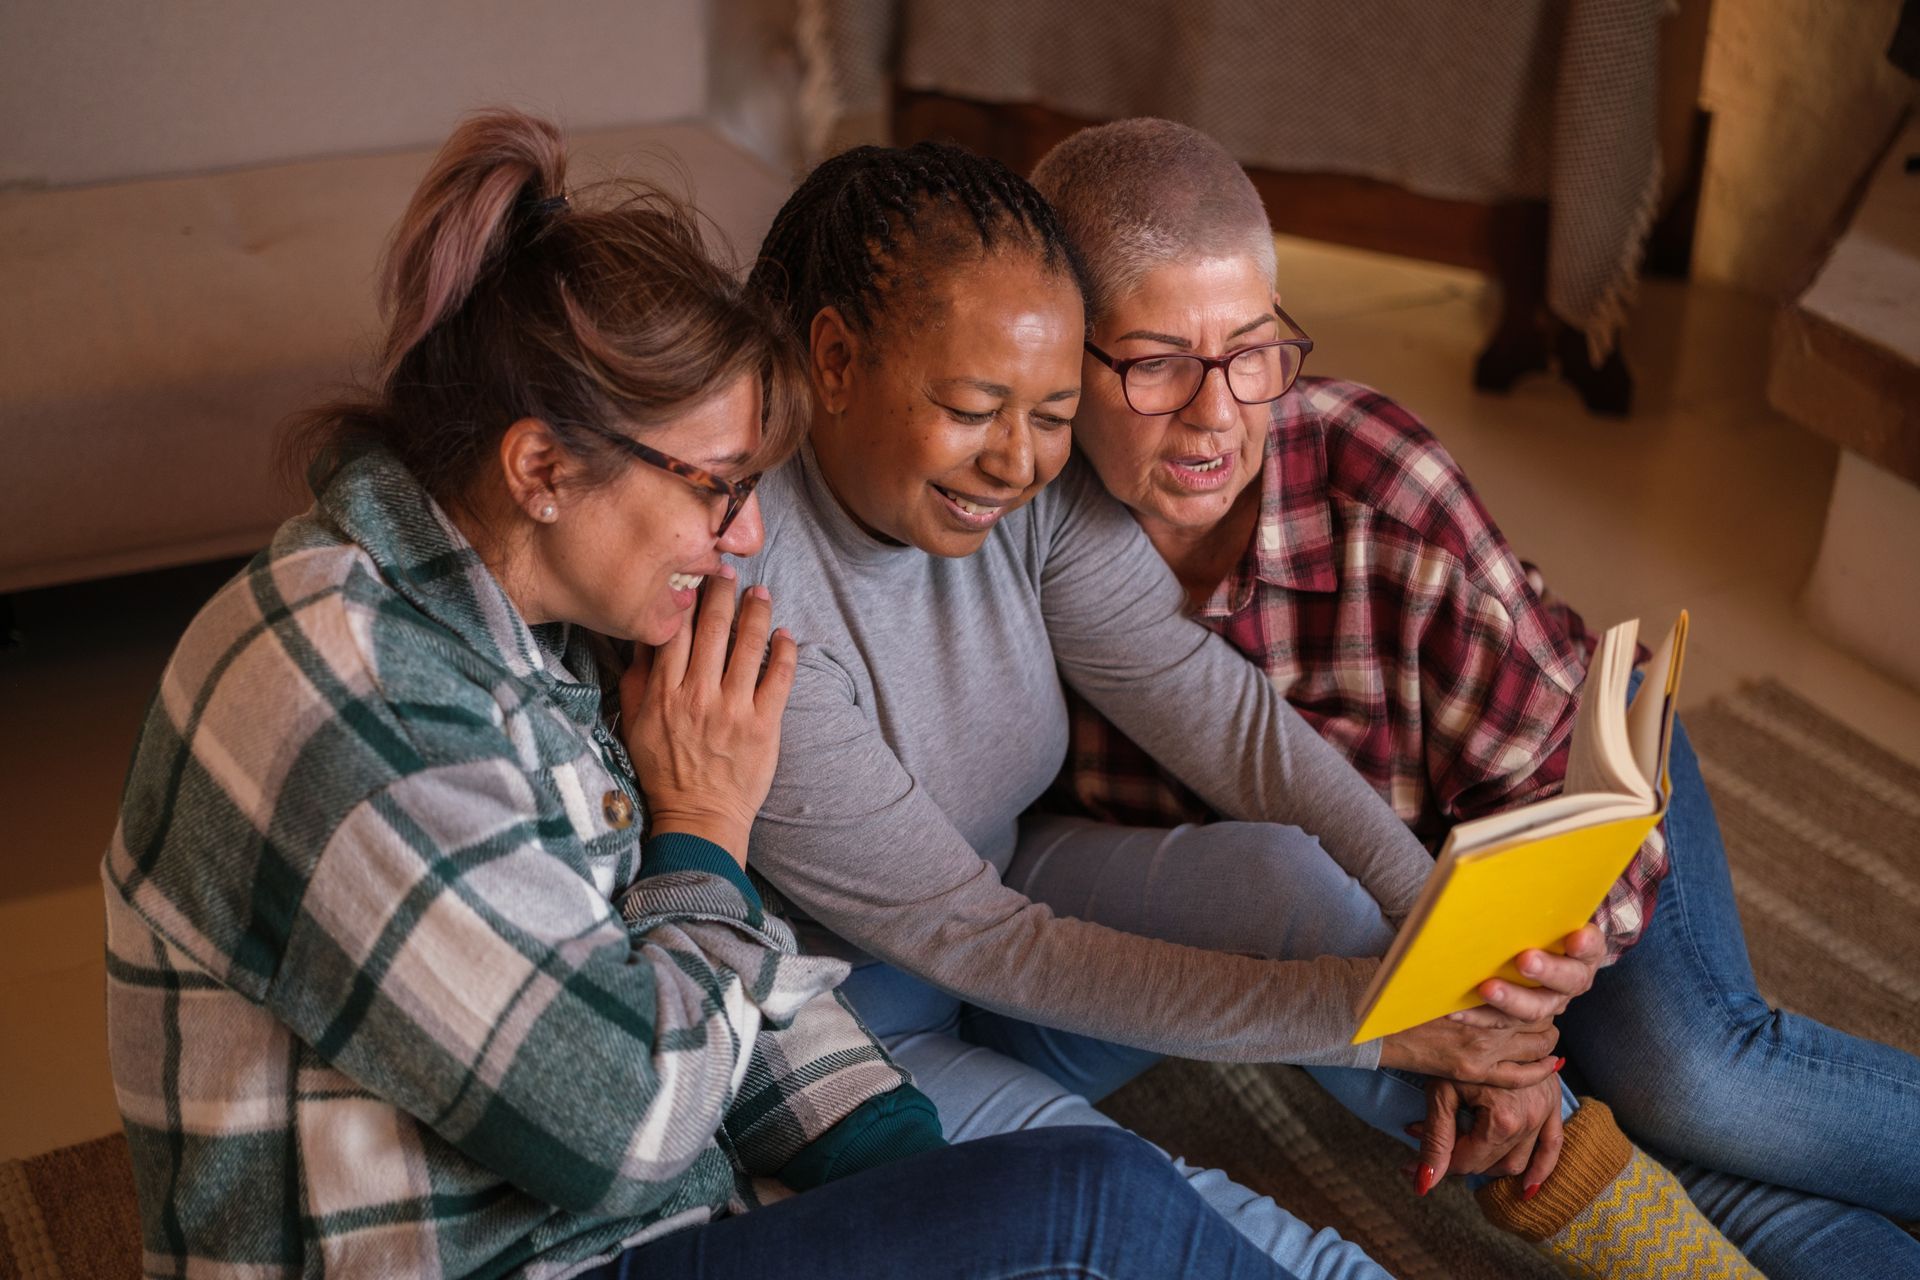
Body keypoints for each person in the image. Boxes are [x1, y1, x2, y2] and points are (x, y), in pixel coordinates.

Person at [101, 109, 1310, 1280]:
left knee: (1042, 1201)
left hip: (672, 1212)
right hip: (561, 1239)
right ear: (545, 469)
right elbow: (623, 1130)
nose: (743, 538)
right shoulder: (344, 692)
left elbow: (750, 976)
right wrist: (706, 832)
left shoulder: (558, 620)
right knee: (1098, 1202)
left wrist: (919, 1177)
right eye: (718, 488)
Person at [736, 141, 1761, 1280]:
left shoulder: (1035, 477)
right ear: (834, 358)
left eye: (1051, 411)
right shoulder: (752, 610)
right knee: (1177, 1217)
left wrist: (1448, 955)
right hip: (861, 1032)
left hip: (1015, 881)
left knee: (1290, 874)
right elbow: (984, 940)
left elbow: (1225, 718)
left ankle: (1622, 1209)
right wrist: (1370, 1011)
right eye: (977, 408)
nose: (1018, 461)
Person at [1032, 115, 1920, 1280]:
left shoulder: (1377, 480)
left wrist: (1561, 958)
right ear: (1058, 356)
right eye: (1155, 361)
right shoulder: (1024, 543)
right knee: (1617, 1140)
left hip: (1559, 795)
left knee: (1690, 1075)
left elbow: (1563, 779)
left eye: (1252, 350)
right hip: (1373, 932)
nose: (1217, 415)